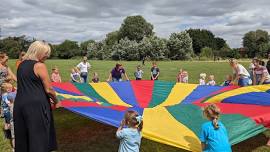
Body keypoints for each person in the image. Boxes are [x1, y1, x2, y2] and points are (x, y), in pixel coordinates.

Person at [14, 41, 59, 152]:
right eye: (45, 53)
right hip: (36, 106)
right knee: (39, 138)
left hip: (20, 104)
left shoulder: (21, 65)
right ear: (38, 52)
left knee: (24, 137)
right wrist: (57, 101)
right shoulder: (39, 66)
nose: (47, 56)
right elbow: (49, 90)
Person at [0, 53, 17, 117]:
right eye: (6, 59)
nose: (7, 61)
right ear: (1, 58)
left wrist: (19, 81)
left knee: (4, 97)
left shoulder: (6, 67)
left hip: (5, 85)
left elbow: (12, 75)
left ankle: (3, 113)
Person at [1, 82, 16, 150]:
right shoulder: (5, 95)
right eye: (8, 88)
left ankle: (7, 133)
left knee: (8, 122)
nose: (10, 89)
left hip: (6, 110)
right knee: (9, 122)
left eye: (10, 88)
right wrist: (12, 103)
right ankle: (7, 133)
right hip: (7, 111)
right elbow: (7, 102)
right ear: (5, 89)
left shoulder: (5, 94)